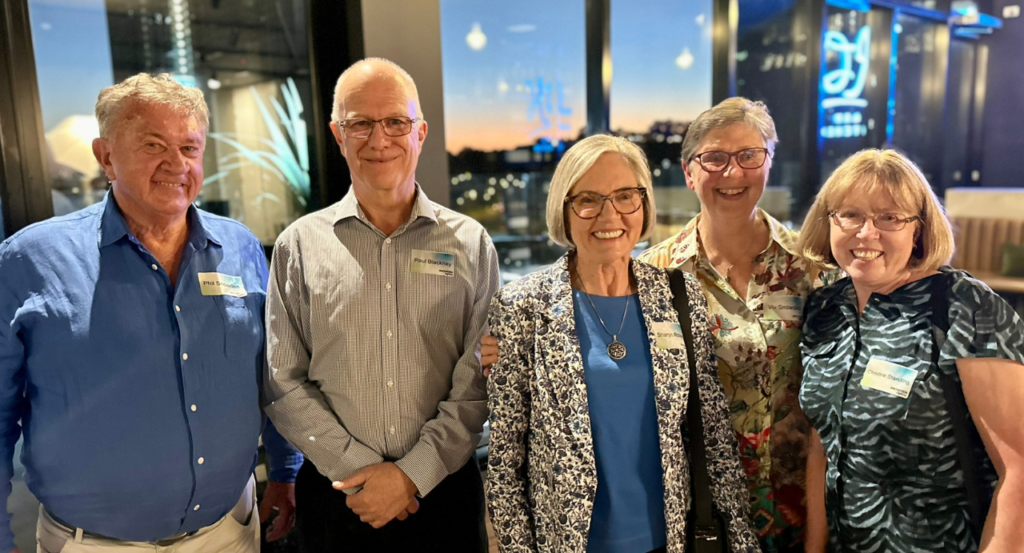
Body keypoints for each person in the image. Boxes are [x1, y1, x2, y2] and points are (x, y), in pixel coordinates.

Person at [483, 98, 832, 551]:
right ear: (563, 209)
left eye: (626, 196)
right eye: (588, 200)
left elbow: (709, 439)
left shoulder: (675, 295)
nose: (610, 216)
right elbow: (504, 464)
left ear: (643, 202)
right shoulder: (523, 306)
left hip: (690, 533)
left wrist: (739, 541)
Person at [0, 73, 302, 553]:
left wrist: (286, 471)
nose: (175, 164)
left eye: (189, 147)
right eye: (152, 144)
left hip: (230, 532)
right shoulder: (30, 260)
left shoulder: (240, 246)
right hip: (93, 546)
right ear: (105, 157)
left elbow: (272, 374)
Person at [263, 58, 499, 553]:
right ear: (337, 134)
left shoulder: (471, 243)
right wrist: (361, 474)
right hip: (339, 498)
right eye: (360, 123)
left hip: (445, 495)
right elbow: (282, 381)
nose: (379, 139)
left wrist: (411, 476)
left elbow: (478, 377)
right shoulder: (298, 246)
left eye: (395, 122)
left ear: (421, 132)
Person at [797, 149, 1024, 552]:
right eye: (850, 215)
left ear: (917, 230)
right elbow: (823, 443)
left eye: (889, 217)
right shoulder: (824, 308)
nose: (866, 233)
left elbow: (1019, 468)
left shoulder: (963, 308)